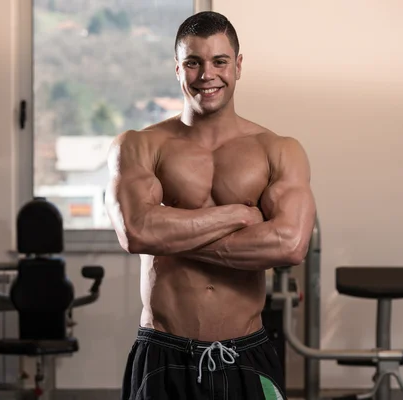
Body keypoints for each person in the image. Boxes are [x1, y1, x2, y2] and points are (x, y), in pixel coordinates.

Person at [105, 10, 316, 400]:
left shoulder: (278, 150)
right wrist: (235, 215)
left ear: (237, 65)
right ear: (177, 68)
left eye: (219, 61)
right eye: (193, 63)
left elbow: (290, 244)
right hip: (163, 352)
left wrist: (172, 237)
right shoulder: (140, 146)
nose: (207, 75)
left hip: (247, 352)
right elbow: (136, 231)